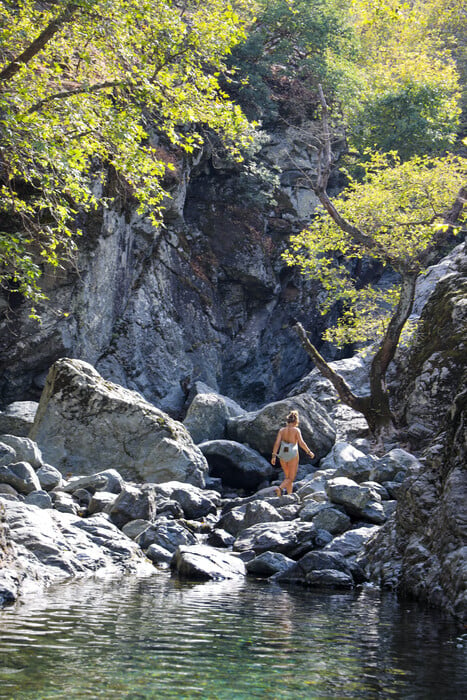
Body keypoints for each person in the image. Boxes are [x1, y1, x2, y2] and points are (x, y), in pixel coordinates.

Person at [270, 410, 314, 496]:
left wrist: (274, 456)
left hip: (282, 454)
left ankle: (289, 495)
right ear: (296, 421)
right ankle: (279, 488)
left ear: (287, 421)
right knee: (291, 478)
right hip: (292, 454)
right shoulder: (296, 430)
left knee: (287, 477)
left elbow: (277, 443)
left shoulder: (281, 430)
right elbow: (301, 443)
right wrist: (309, 452)